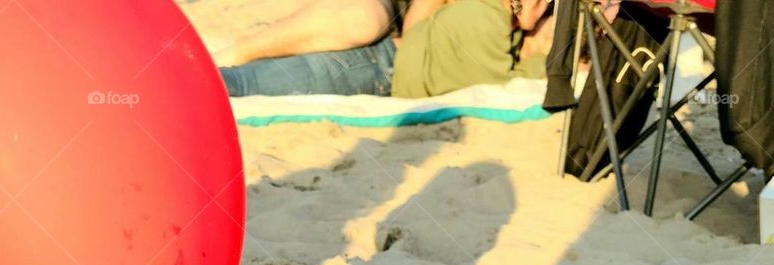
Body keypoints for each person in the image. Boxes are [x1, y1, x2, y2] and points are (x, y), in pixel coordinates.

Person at [218, 0, 553, 98]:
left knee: (245, 83)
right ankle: (232, 56)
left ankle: (214, 77)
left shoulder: (527, 60)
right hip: (395, 28)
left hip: (384, 68)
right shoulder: (493, 12)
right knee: (361, 21)